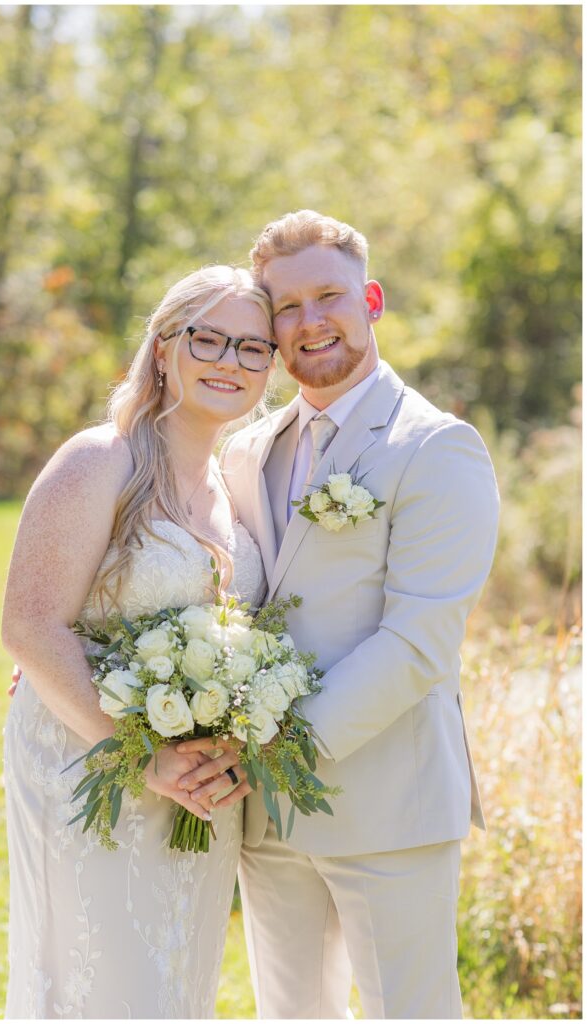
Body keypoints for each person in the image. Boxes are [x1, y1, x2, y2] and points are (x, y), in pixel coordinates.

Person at [177, 210, 500, 1019]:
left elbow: (418, 641)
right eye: (285, 306)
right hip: (265, 818)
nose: (309, 320)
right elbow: (217, 589)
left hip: (387, 802)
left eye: (328, 296)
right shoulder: (247, 448)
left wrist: (276, 750)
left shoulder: (435, 448)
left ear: (372, 300)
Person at [1, 265, 275, 1019]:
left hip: (194, 790)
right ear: (163, 348)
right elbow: (28, 624)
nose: (230, 362)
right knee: (96, 980)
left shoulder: (233, 488)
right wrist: (143, 756)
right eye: (209, 339)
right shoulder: (101, 460)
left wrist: (217, 746)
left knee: (171, 983)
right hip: (88, 768)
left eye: (253, 348)